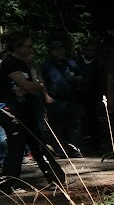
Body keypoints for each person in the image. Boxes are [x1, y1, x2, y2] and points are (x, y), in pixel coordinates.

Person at [0, 31, 66, 193]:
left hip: (26, 109)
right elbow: (28, 86)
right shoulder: (10, 63)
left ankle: (56, 178)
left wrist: (34, 85)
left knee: (37, 143)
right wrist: (40, 85)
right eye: (28, 46)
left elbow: (30, 87)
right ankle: (8, 183)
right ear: (17, 46)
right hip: (12, 111)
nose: (31, 49)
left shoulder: (25, 64)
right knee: (18, 145)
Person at [41, 40, 82, 157]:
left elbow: (80, 76)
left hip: (71, 98)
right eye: (58, 50)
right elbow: (41, 82)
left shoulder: (71, 63)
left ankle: (74, 150)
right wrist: (46, 96)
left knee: (73, 126)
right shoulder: (46, 65)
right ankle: (58, 151)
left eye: (62, 49)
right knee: (56, 126)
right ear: (52, 52)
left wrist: (75, 79)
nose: (61, 52)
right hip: (55, 100)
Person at [75, 40, 104, 149]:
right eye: (89, 50)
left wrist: (100, 97)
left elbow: (101, 82)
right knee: (79, 119)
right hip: (78, 95)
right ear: (84, 50)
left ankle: (95, 144)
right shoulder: (76, 62)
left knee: (93, 119)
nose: (90, 52)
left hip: (92, 96)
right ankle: (78, 144)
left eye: (93, 50)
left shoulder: (98, 64)